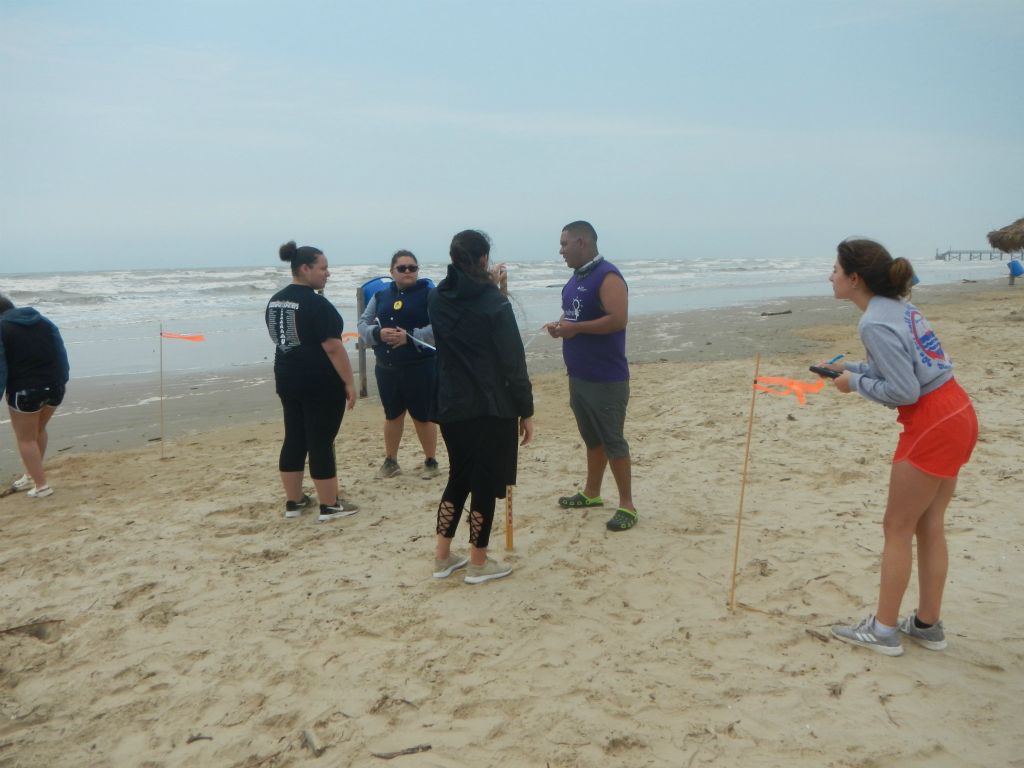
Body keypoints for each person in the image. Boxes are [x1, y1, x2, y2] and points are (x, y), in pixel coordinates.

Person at [824, 238, 978, 656]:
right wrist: (852, 368)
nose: (830, 276)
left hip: (932, 421)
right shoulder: (900, 308)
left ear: (854, 279)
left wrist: (853, 383)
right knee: (929, 524)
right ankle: (927, 625)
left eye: (835, 269)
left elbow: (905, 390)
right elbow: (910, 365)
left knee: (897, 527)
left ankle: (884, 629)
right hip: (957, 410)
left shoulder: (873, 321)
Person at [429, 230, 533, 584]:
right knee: (484, 482)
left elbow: (466, 307)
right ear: (484, 259)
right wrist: (526, 409)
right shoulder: (494, 303)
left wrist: (494, 287)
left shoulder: (437, 298)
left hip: (451, 403)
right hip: (489, 405)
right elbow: (512, 361)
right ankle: (478, 560)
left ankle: (442, 556)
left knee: (459, 476)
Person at [544, 221, 637, 532]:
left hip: (606, 377)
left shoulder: (607, 276)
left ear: (581, 243)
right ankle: (592, 493)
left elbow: (618, 320)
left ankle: (627, 505)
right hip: (579, 374)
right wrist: (561, 327)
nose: (560, 251)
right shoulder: (575, 279)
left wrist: (577, 328)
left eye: (564, 244)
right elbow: (574, 317)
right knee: (592, 438)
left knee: (613, 440)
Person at [265, 241, 359, 522]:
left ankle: (294, 502)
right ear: (305, 269)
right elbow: (333, 347)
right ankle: (329, 505)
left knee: (294, 437)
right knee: (321, 441)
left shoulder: (276, 300)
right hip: (318, 382)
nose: (327, 273)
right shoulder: (317, 303)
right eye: (323, 268)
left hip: (287, 377)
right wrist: (349, 383)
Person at [357, 250, 440, 480]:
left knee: (422, 416)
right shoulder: (381, 296)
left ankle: (431, 461)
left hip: (420, 366)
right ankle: (391, 461)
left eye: (412, 268)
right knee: (392, 415)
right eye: (402, 268)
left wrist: (410, 336)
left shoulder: (429, 294)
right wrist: (378, 333)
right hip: (387, 367)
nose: (407, 272)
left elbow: (440, 327)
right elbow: (362, 323)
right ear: (391, 271)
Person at [0, 294, 70, 498]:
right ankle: (32, 474)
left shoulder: (2, 328)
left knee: (26, 439)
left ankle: (41, 486)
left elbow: (1, 368)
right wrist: (62, 380)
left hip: (25, 391)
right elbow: (60, 352)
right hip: (55, 387)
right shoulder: (43, 321)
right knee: (38, 430)